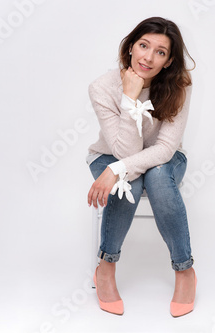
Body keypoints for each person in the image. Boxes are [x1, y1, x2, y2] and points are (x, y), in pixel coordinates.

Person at [85, 17, 196, 317]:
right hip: (110, 155)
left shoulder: (178, 86)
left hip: (165, 158)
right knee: (129, 184)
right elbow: (124, 152)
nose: (148, 57)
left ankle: (184, 270)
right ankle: (106, 267)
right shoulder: (101, 88)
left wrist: (120, 170)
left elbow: (164, 148)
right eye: (143, 45)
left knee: (157, 178)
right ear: (131, 46)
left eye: (160, 52)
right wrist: (129, 97)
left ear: (169, 60)